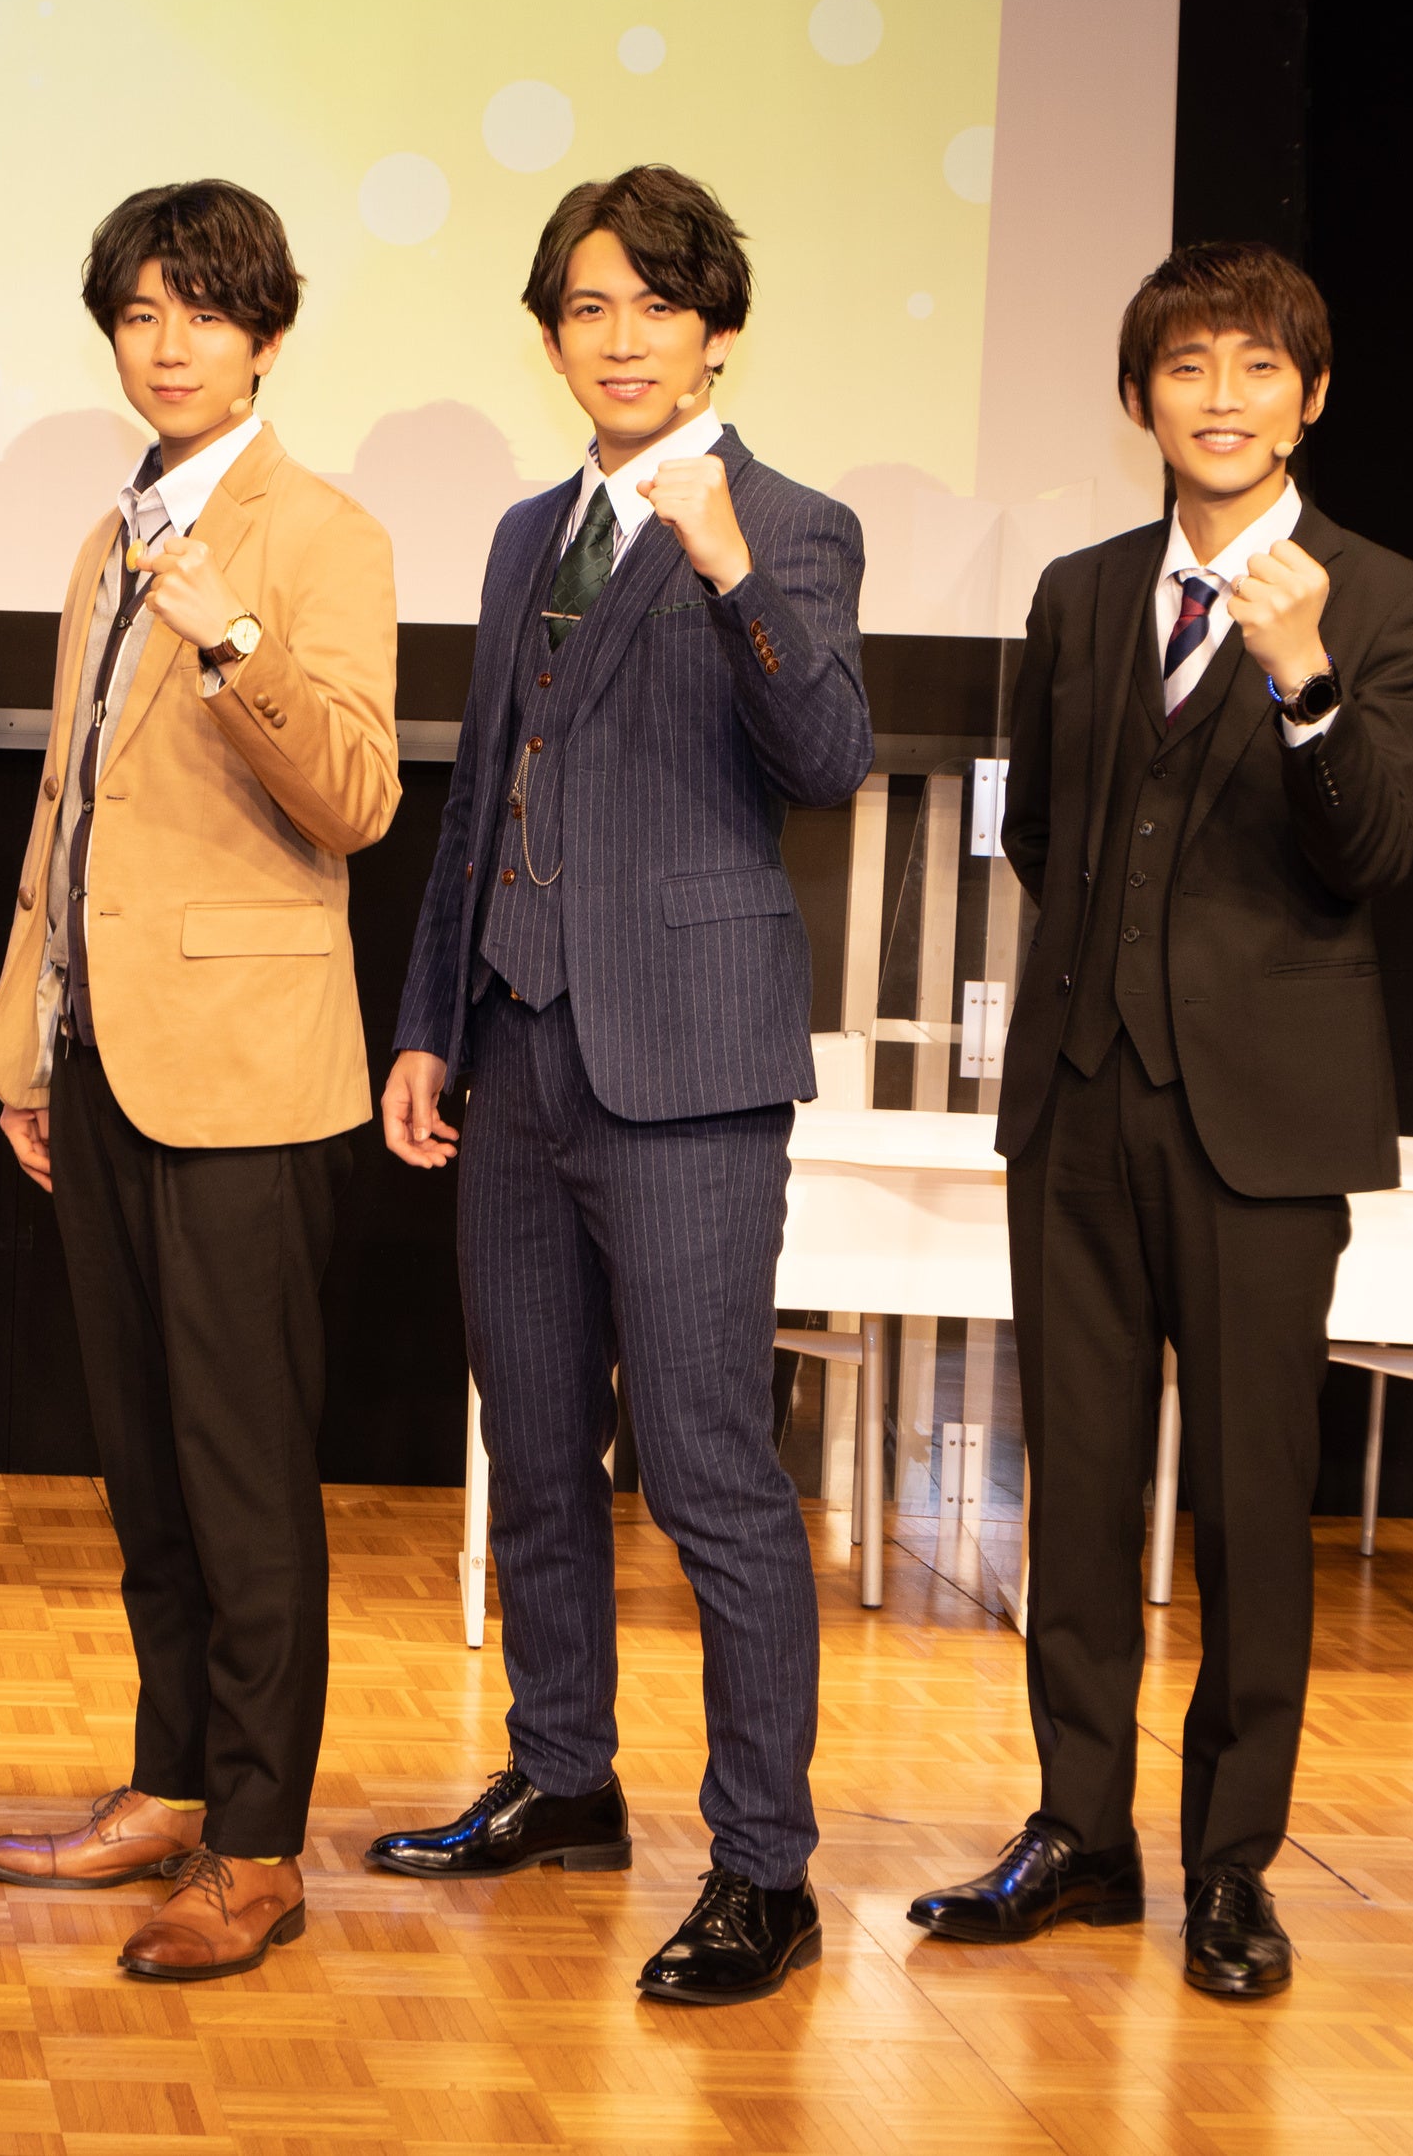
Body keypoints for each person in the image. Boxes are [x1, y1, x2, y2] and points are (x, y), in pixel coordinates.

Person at [908, 243, 1413, 2000]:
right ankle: (1080, 1828)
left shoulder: (1389, 602)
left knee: (1249, 1498)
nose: (1222, 396)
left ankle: (1232, 1863)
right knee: (1073, 1488)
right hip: (1078, 1103)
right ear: (1138, 395)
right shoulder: (1079, 595)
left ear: (1313, 395)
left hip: (1265, 1125)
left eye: (1257, 366)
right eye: (1189, 365)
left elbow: (1369, 848)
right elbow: (1040, 831)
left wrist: (1303, 684)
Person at [366, 165, 871, 2006]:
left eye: (658, 303)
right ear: (552, 337)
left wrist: (731, 568)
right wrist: (430, 1018)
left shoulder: (792, 524)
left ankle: (764, 1866)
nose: (624, 336)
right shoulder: (527, 534)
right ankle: (563, 1773)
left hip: (691, 1070)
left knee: (714, 1471)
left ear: (716, 330)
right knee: (534, 1450)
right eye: (589, 307)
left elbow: (829, 751)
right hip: (516, 1046)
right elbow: (482, 789)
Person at [0, 182, 399, 1980]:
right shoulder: (108, 536)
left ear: (265, 335)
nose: (168, 344)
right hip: (100, 1054)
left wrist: (234, 638)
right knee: (144, 1463)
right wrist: (24, 1034)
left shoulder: (323, 535)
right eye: (140, 313)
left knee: (241, 1471)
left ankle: (258, 1840)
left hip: (248, 1074)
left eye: (205, 312)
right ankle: (169, 1781)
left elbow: (357, 795)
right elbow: (70, 804)